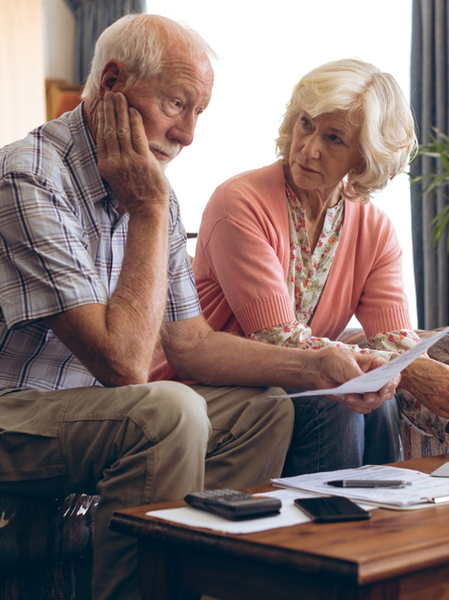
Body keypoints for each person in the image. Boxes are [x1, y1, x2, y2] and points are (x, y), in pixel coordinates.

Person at [0, 21, 401, 600]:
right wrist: (147, 209)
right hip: (16, 411)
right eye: (176, 104)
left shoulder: (153, 189)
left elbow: (191, 343)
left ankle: (212, 581)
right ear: (111, 82)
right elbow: (125, 365)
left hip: (84, 412)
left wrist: (320, 368)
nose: (187, 133)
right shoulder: (30, 178)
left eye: (199, 113)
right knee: (166, 411)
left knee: (264, 411)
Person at [152, 58, 449, 475]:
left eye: (334, 138)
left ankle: (388, 526)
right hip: (209, 385)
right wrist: (404, 370)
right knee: (340, 401)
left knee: (372, 401)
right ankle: (334, 534)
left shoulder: (375, 229)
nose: (308, 148)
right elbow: (278, 339)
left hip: (297, 384)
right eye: (306, 123)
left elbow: (395, 346)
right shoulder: (239, 202)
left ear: (363, 160)